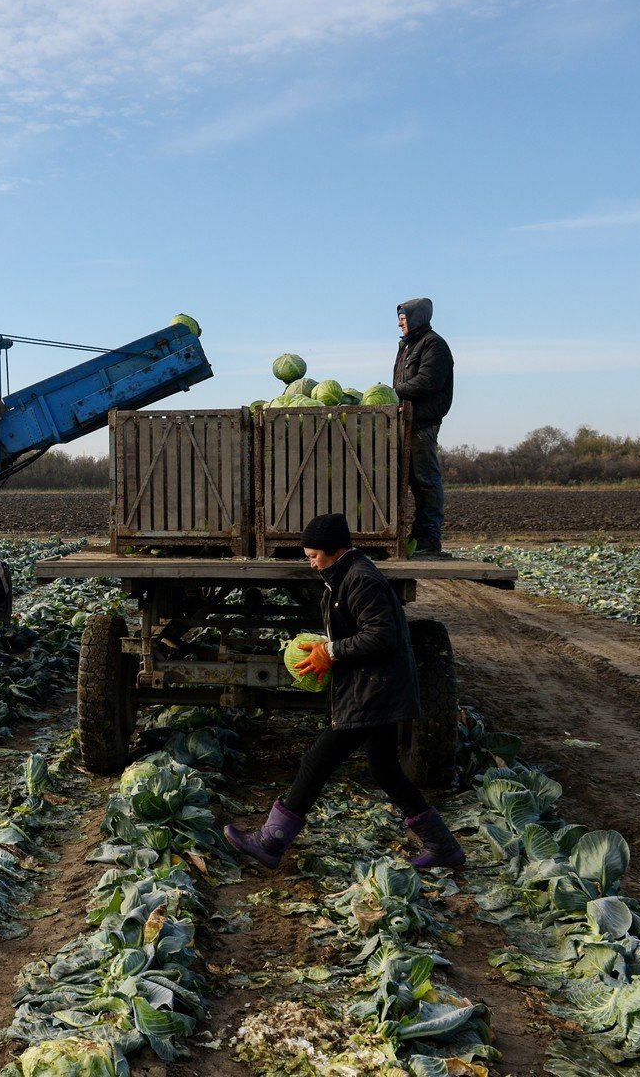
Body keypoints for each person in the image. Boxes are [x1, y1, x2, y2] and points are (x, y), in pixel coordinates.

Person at [223, 513, 464, 871]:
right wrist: (329, 644)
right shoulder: (346, 575)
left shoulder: (361, 579)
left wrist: (332, 651)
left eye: (314, 556)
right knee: (386, 771)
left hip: (373, 690)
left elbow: (381, 635)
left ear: (335, 550)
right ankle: (443, 847)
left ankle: (271, 842)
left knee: (316, 761)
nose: (311, 563)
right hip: (375, 686)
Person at [392, 297, 454, 559]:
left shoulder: (434, 345)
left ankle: (429, 537)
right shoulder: (409, 345)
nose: (399, 324)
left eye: (403, 319)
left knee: (426, 480)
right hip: (409, 421)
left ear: (417, 318)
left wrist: (394, 393)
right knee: (414, 481)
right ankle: (418, 535)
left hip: (423, 422)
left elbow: (427, 381)